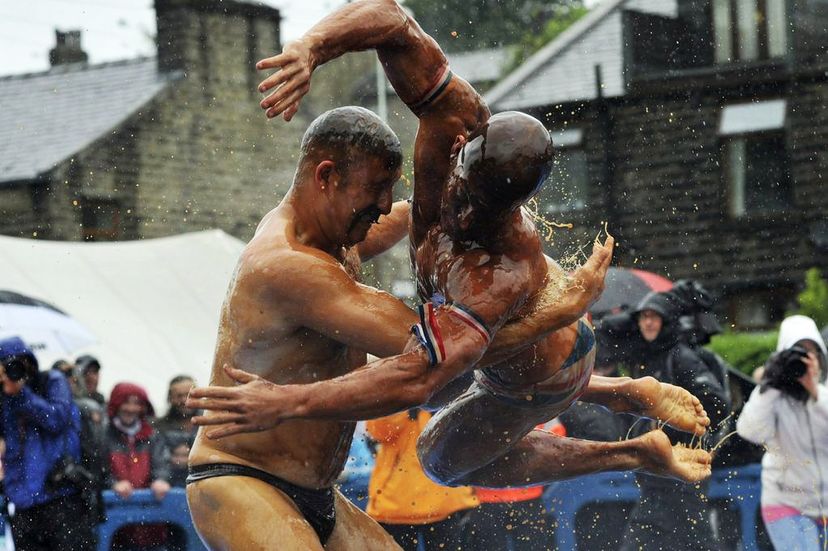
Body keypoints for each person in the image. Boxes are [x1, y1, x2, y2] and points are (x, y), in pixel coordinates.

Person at [191, 0, 710, 485]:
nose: (463, 216)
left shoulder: (497, 271)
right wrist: (312, 48)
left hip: (549, 369)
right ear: (462, 146)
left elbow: (421, 377)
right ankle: (626, 393)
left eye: (484, 212)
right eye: (462, 195)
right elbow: (392, 18)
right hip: (522, 341)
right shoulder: (453, 122)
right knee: (446, 360)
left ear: (507, 213)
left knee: (437, 455)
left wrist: (287, 402)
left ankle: (634, 452)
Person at [619, 289, 730, 551]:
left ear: (667, 322)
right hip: (658, 472)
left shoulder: (680, 356)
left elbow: (717, 402)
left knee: (688, 540)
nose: (647, 323)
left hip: (682, 471)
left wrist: (675, 425)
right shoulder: (645, 358)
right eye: (643, 317)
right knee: (682, 540)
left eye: (654, 317)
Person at [736, 315, 828, 551]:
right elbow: (749, 431)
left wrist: (815, 391)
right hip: (786, 503)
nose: (803, 361)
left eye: (810, 353)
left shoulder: (823, 393)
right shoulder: (772, 396)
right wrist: (770, 385)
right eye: (797, 353)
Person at [0, 337, 96, 551]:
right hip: (23, 502)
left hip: (60, 494)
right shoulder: (4, 397)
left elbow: (56, 419)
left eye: (16, 363)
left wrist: (20, 392)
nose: (13, 370)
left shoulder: (51, 381)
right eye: (4, 365)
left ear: (30, 361)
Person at [366, 409, 479, 550]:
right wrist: (402, 405)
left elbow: (471, 433)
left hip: (445, 505)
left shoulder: (448, 397)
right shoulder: (396, 397)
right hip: (396, 509)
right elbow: (378, 431)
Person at [106, 382, 171, 550]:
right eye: (126, 402)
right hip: (116, 520)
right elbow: (98, 469)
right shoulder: (104, 434)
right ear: (116, 404)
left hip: (150, 517)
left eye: (136, 403)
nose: (131, 408)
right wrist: (113, 483)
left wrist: (160, 479)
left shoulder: (152, 435)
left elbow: (161, 462)